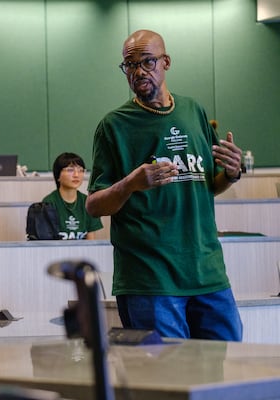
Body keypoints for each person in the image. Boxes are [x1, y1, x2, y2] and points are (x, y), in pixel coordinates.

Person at [86, 29, 243, 341]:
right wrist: (130, 184)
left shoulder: (194, 112)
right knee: (166, 378)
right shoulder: (113, 126)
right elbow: (93, 205)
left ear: (166, 62)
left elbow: (206, 184)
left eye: (147, 62)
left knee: (226, 372)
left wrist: (232, 173)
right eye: (129, 65)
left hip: (206, 271)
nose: (138, 72)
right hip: (149, 279)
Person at [42, 152, 103, 240]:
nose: (76, 175)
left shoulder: (88, 202)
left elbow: (91, 240)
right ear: (58, 175)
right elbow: (46, 241)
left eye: (80, 170)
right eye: (70, 170)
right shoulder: (48, 203)